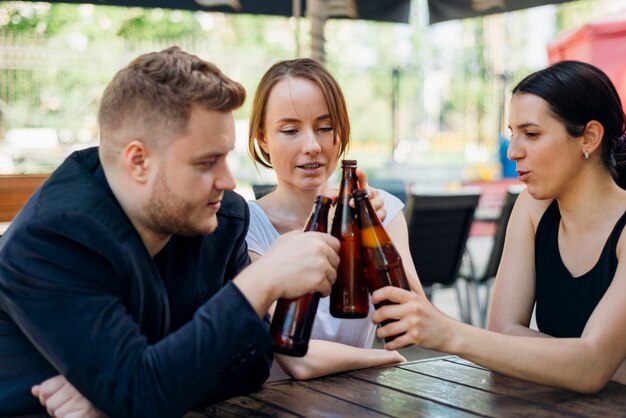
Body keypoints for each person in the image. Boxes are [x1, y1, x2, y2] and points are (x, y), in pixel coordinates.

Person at [0, 47, 340, 417]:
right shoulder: (55, 239)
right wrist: (261, 281)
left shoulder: (221, 217)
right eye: (207, 162)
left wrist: (124, 390)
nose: (228, 181)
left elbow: (253, 364)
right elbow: (143, 395)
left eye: (226, 156)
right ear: (139, 161)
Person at [370, 60, 626, 393]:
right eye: (512, 134)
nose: (514, 151)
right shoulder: (534, 207)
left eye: (531, 134)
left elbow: (589, 367)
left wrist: (448, 332)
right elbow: (504, 332)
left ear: (589, 137)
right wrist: (594, 363)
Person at [246, 58, 423, 381]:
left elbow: (414, 320)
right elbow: (298, 358)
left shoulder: (381, 209)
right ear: (262, 139)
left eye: (325, 128)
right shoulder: (245, 228)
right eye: (290, 130)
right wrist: (384, 359)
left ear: (340, 134)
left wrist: (373, 234)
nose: (312, 146)